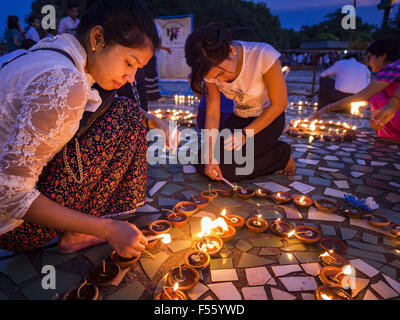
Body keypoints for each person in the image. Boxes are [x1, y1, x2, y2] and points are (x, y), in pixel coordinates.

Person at [0, 0, 176, 256]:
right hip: (16, 227)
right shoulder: (63, 82)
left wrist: (153, 120)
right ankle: (87, 228)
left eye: (137, 69)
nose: (131, 78)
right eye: (129, 63)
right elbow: (9, 195)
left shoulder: (50, 52)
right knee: (126, 117)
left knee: (124, 110)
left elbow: (104, 103)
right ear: (97, 37)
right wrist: (106, 229)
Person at [185, 24, 295, 182]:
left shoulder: (263, 55)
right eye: (214, 78)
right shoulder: (208, 67)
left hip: (267, 120)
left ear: (231, 50)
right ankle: (261, 150)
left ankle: (280, 156)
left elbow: (279, 104)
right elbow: (213, 112)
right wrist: (210, 156)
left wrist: (245, 135)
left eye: (222, 73)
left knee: (227, 169)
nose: (220, 81)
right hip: (238, 118)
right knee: (203, 161)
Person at [314, 36, 400, 141]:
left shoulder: (392, 68)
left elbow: (362, 96)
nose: (368, 63)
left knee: (376, 95)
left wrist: (324, 109)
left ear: (382, 56)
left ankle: (391, 133)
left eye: (369, 57)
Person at [194, 27, 256, 130]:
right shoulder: (242, 70)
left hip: (203, 112)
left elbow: (191, 78)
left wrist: (203, 97)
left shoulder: (210, 64)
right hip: (227, 114)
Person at [143, 20, 172, 102]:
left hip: (151, 55)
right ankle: (151, 96)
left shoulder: (154, 26)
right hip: (147, 54)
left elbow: (157, 42)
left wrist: (165, 48)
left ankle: (153, 95)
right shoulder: (147, 27)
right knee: (148, 75)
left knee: (151, 74)